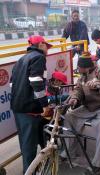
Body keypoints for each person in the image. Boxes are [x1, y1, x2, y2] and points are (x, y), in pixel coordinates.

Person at [64, 53, 100, 174]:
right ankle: (68, 151)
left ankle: (98, 163)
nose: (78, 70)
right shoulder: (82, 77)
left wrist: (99, 84)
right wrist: (75, 98)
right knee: (69, 116)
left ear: (86, 67)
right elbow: (78, 89)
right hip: (88, 107)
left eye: (80, 68)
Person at [10, 35, 53, 174]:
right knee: (29, 147)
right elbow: (36, 81)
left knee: (25, 144)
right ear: (40, 44)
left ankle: (29, 170)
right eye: (46, 46)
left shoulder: (21, 59)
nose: (48, 49)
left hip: (18, 109)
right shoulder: (39, 57)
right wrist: (44, 105)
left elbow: (12, 83)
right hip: (29, 110)